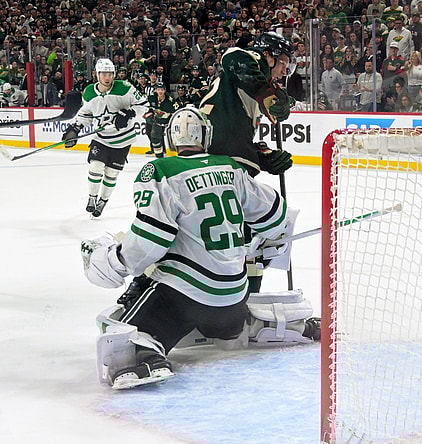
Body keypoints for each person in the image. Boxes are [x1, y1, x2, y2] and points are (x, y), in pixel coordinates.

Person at [81, 107, 317, 389]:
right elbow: (277, 218)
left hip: (185, 299)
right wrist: (256, 245)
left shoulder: (161, 171)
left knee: (130, 327)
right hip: (234, 297)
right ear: (206, 135)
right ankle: (275, 324)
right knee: (230, 318)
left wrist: (114, 260)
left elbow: (150, 240)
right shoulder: (230, 167)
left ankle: (145, 354)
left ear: (171, 138)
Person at [199, 32, 294, 178]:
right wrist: (266, 92)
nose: (284, 72)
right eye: (283, 63)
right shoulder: (252, 59)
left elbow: (234, 137)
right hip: (215, 159)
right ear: (267, 55)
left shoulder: (253, 89)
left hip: (218, 155)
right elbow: (233, 57)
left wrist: (260, 156)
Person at [62, 58, 147, 218]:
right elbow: (86, 114)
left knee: (111, 174)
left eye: (110, 74)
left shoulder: (125, 88)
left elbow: (143, 105)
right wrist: (76, 128)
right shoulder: (89, 92)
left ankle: (103, 200)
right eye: (103, 74)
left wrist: (129, 113)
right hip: (101, 138)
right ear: (97, 74)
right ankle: (92, 197)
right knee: (95, 167)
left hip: (123, 141)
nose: (107, 77)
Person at [146, 82, 178, 158]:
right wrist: (150, 112)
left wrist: (168, 116)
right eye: (158, 89)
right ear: (155, 90)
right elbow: (148, 107)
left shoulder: (170, 100)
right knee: (154, 137)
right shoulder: (151, 97)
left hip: (169, 123)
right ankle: (159, 155)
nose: (160, 91)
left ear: (165, 90)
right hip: (157, 122)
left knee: (173, 139)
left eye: (162, 89)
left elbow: (177, 112)